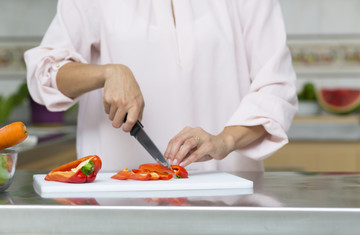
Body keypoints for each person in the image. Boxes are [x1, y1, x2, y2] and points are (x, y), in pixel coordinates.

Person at [24, 0, 298, 172]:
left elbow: (276, 88)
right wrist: (107, 73)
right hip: (117, 206)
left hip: (229, 200)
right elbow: (44, 73)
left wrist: (224, 139)